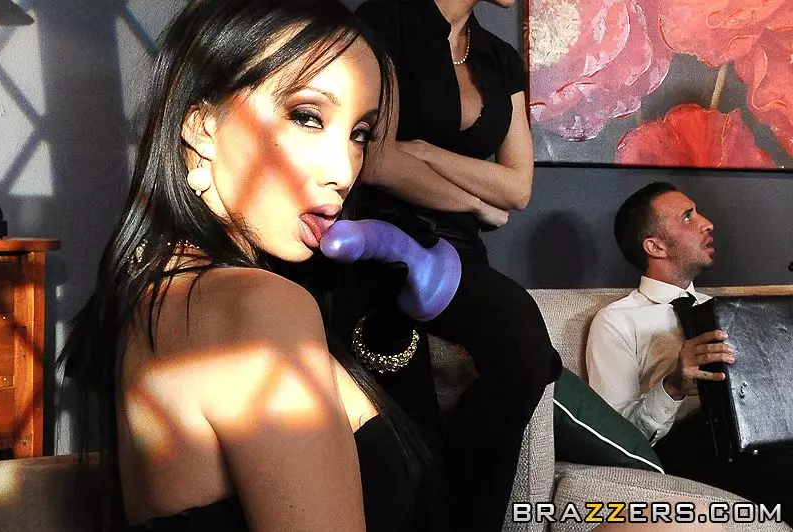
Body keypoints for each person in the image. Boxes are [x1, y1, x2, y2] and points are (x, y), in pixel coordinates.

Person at [58, 1, 443, 530]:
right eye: (307, 117)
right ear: (202, 126)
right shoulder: (255, 307)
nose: (342, 171)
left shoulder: (153, 291)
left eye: (359, 133)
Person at [350, 1, 562, 531]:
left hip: (461, 251)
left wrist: (425, 150)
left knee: (527, 356)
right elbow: (377, 160)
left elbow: (518, 187)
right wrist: (474, 201)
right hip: (379, 238)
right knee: (404, 424)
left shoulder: (500, 57)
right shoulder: (386, 20)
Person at [586, 182, 792, 525]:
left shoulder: (732, 313)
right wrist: (674, 385)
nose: (707, 223)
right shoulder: (616, 320)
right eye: (687, 217)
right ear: (655, 246)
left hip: (760, 440)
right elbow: (614, 441)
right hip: (687, 450)